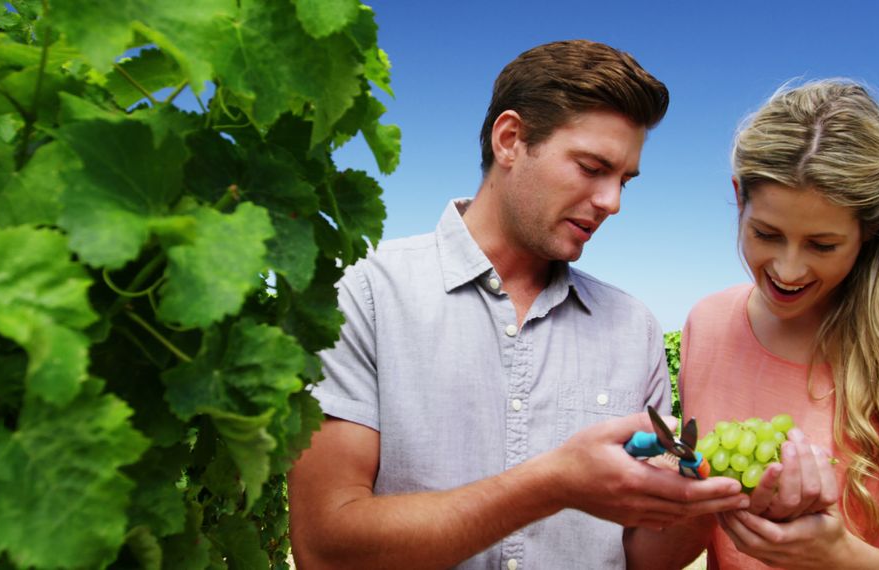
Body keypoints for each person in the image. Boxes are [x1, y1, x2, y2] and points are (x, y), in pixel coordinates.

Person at [287, 40, 750, 570]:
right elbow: (325, 548)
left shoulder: (634, 329)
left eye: (623, 180)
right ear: (509, 140)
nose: (612, 202)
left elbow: (643, 557)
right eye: (591, 167)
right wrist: (551, 485)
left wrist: (708, 501)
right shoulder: (365, 293)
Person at [641, 79, 879, 568]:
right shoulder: (708, 326)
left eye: (822, 245)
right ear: (739, 199)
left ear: (870, 231)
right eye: (766, 234)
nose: (788, 269)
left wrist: (839, 557)